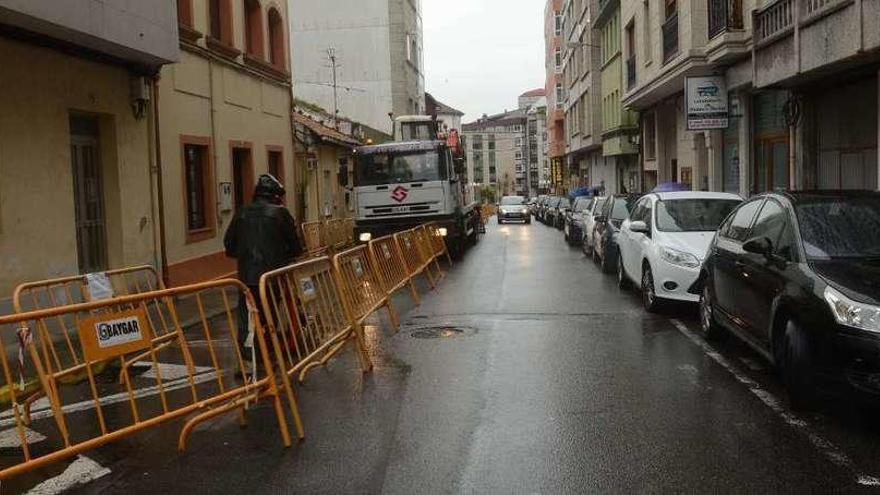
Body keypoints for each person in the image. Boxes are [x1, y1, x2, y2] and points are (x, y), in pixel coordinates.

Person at [224, 174, 303, 359]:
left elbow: (228, 243)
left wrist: (243, 255)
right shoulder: (280, 213)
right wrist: (286, 256)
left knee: (246, 315)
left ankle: (247, 356)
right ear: (275, 196)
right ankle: (266, 352)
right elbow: (296, 247)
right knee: (269, 314)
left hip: (246, 277)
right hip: (272, 276)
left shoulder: (242, 212)